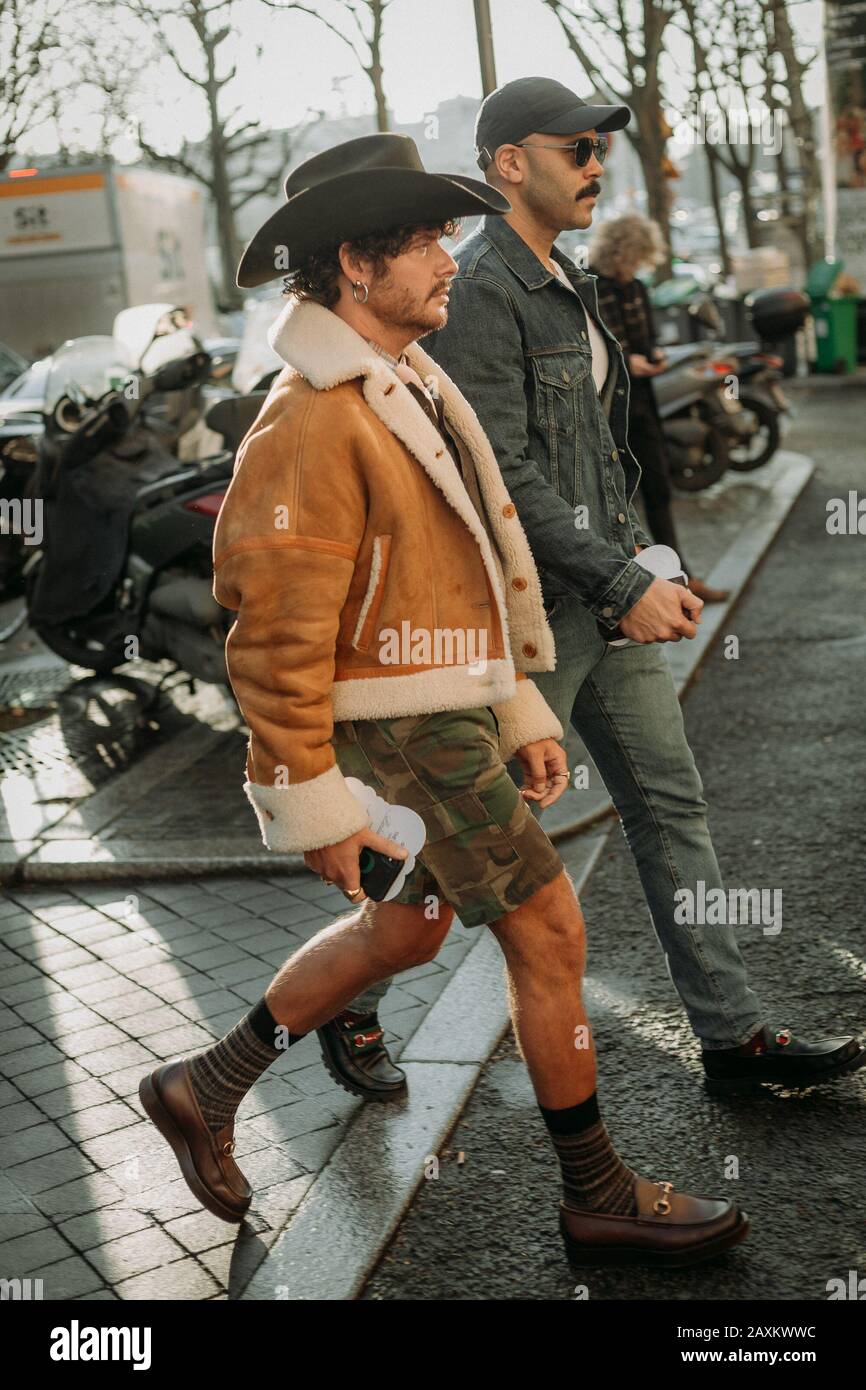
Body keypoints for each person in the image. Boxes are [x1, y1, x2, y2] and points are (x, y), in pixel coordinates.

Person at [139, 133, 748, 1269]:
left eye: (439, 235)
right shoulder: (311, 416)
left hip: (443, 710)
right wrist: (309, 798)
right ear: (352, 268)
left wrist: (512, 703)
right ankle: (597, 1192)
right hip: (400, 727)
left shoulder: (402, 381)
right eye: (419, 241)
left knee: (409, 928)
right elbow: (269, 629)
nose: (447, 257)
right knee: (550, 927)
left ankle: (203, 1083)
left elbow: (462, 571)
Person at [335, 79, 863, 1101]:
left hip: (605, 603)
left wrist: (646, 564)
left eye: (595, 149)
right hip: (535, 619)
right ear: (506, 163)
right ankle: (346, 998)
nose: (593, 165)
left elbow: (605, 454)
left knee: (671, 809)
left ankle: (731, 1037)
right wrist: (622, 578)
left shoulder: (562, 275)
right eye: (573, 148)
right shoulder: (482, 287)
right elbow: (502, 476)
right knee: (471, 834)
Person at [587, 211, 728, 603]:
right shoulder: (591, 287)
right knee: (616, 502)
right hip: (609, 411)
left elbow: (644, 338)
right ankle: (636, 588)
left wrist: (655, 357)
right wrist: (628, 361)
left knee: (658, 490)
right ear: (620, 252)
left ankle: (679, 577)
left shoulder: (637, 288)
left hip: (643, 404)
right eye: (632, 259)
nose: (635, 268)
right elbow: (598, 347)